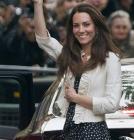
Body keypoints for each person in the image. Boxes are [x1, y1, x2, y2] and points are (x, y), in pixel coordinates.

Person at [15, 1, 122, 140]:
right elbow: (44, 40)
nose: (81, 30)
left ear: (97, 26)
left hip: (94, 132)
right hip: (69, 129)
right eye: (76, 25)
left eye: (86, 24)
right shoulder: (70, 55)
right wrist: (37, 4)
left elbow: (112, 104)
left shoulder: (111, 59)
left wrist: (77, 98)